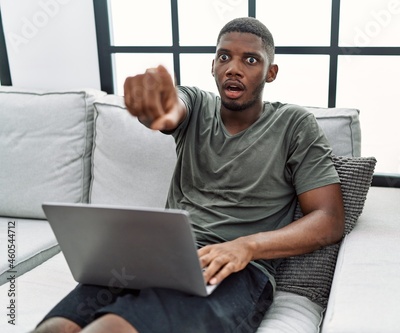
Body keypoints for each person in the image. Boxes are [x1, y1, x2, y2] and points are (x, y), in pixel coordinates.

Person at [34, 17, 344, 333]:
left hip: (237, 270)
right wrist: (156, 108)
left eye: (250, 60)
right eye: (225, 57)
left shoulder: (294, 124)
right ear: (213, 65)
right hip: (155, 256)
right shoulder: (195, 103)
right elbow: (170, 111)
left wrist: (247, 246)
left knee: (111, 329)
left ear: (271, 72)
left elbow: (329, 219)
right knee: (55, 328)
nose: (233, 68)